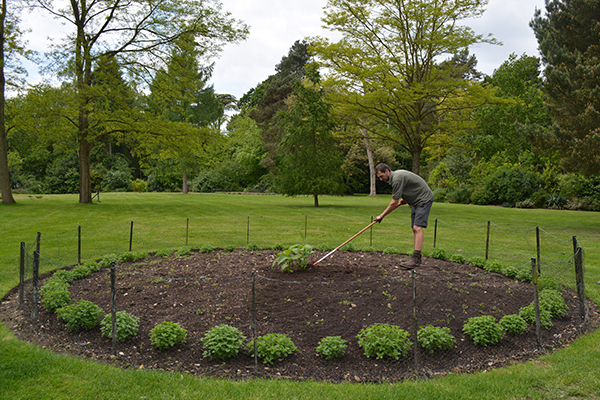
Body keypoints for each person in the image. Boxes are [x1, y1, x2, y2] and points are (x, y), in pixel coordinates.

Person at [374, 163, 434, 268]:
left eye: (381, 176)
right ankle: (416, 258)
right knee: (414, 228)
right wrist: (406, 198)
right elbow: (409, 187)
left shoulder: (396, 179)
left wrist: (381, 216)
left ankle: (415, 259)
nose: (380, 179)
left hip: (424, 199)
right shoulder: (396, 177)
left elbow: (393, 203)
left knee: (417, 227)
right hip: (416, 200)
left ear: (387, 171)